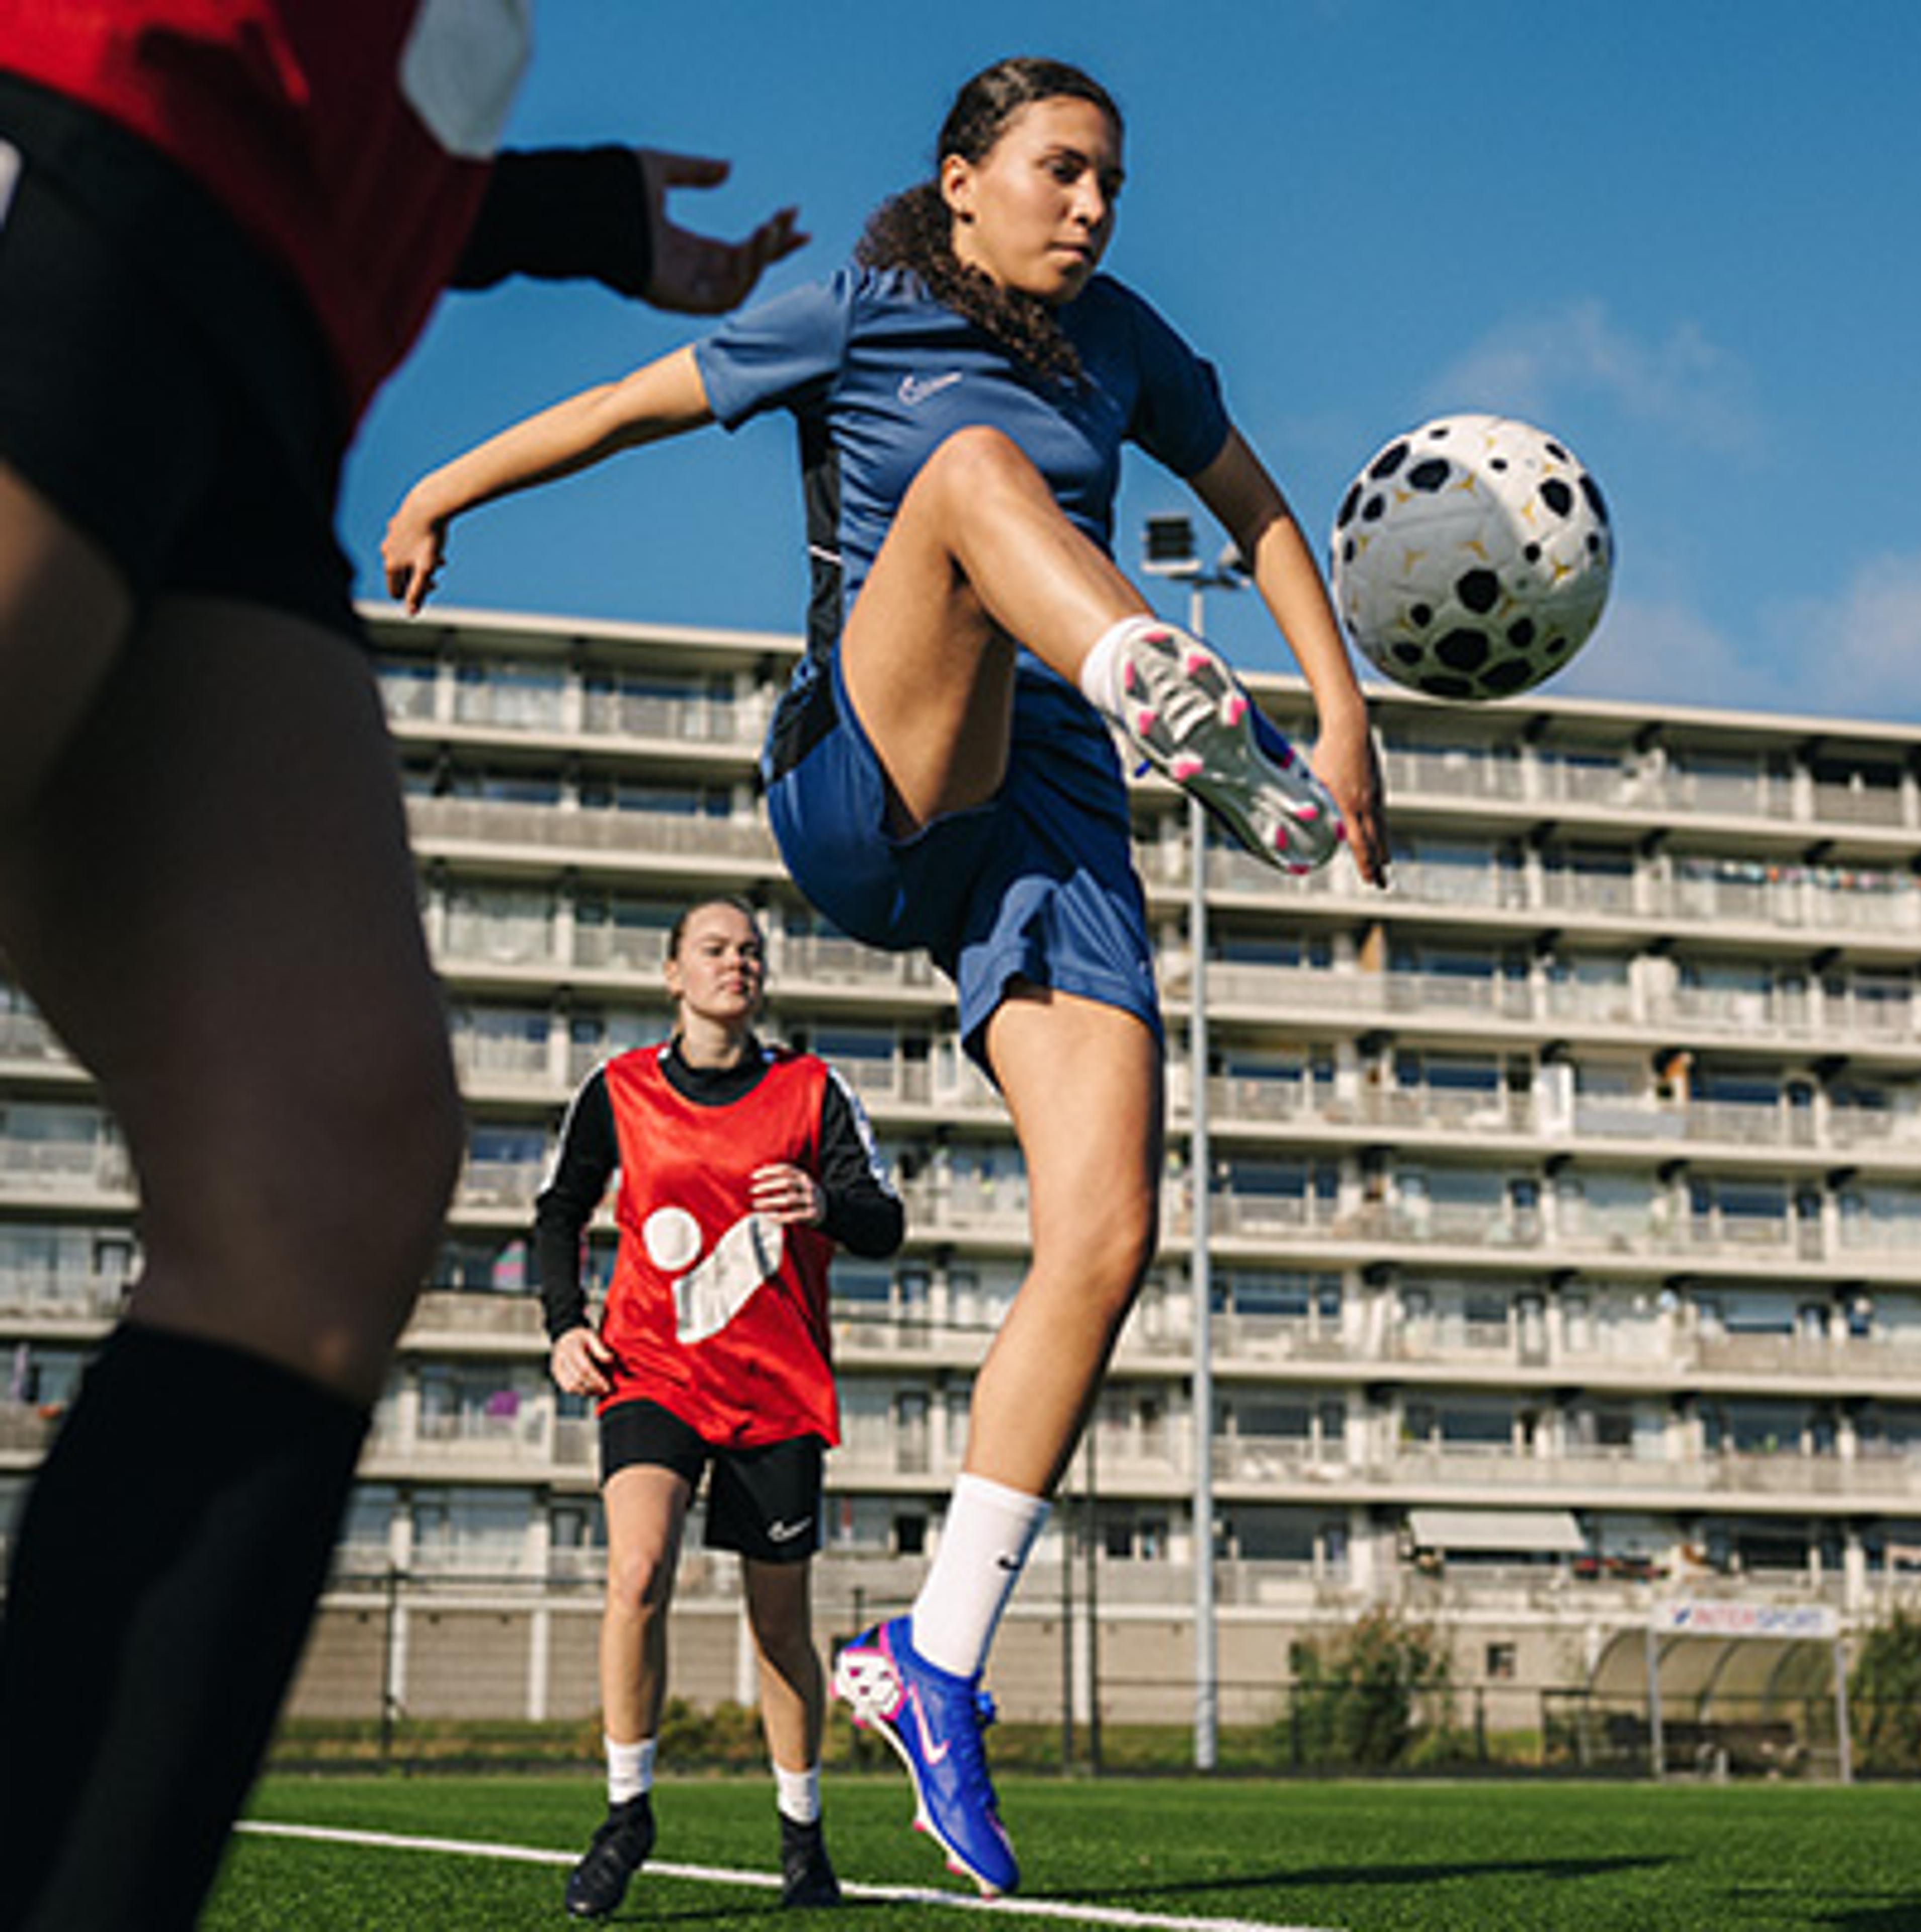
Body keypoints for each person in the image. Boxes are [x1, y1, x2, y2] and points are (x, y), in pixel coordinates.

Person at [384, 53, 1390, 1896]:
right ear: (962, 181)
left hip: (1062, 817)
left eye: (1112, 183)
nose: (1092, 208)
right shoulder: (859, 314)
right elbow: (627, 408)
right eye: (1061, 173)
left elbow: (1256, 505)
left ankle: (932, 1658)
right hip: (871, 771)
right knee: (979, 471)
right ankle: (1156, 682)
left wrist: (1340, 717)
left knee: (1105, 1233)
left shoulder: (1131, 343)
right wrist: (444, 483)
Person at [0, 9, 803, 1928]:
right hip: (85, 129)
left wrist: (563, 212)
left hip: (260, 302)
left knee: (323, 1168)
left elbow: (355, 73)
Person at [535, 895, 902, 1918]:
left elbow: (886, 1219)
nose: (735, 962)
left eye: (750, 951)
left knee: (779, 1627)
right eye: (714, 948)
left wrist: (826, 1204)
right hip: (651, 1371)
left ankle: (802, 1838)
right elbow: (559, 1209)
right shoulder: (617, 1091)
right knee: (637, 1570)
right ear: (673, 975)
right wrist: (565, 1323)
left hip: (776, 1388)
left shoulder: (813, 1090)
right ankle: (625, 1815)